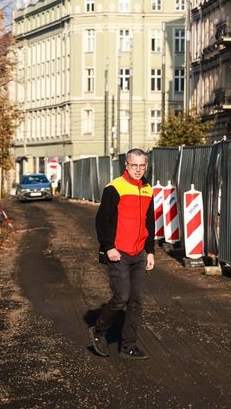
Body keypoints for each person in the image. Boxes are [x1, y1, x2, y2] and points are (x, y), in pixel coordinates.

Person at [89, 148, 155, 360]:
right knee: (121, 297)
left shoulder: (147, 189)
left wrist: (150, 251)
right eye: (134, 165)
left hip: (140, 253)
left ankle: (128, 346)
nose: (138, 170)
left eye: (142, 166)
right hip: (118, 252)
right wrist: (108, 247)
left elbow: (150, 222)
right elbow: (102, 220)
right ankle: (98, 330)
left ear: (146, 166)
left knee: (136, 300)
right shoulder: (114, 188)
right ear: (126, 165)